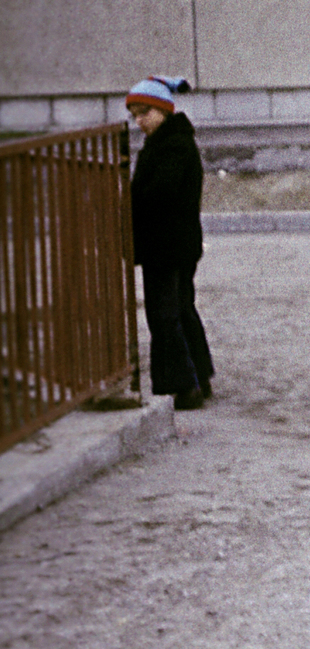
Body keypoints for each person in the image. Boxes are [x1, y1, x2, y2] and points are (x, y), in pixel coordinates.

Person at [127, 75, 214, 412]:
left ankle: (184, 387)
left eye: (144, 112)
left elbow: (161, 193)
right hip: (177, 243)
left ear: (163, 109)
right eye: (135, 115)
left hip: (166, 245)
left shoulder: (172, 145)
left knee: (165, 315)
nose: (139, 121)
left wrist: (129, 202)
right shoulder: (172, 140)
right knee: (181, 309)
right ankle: (199, 378)